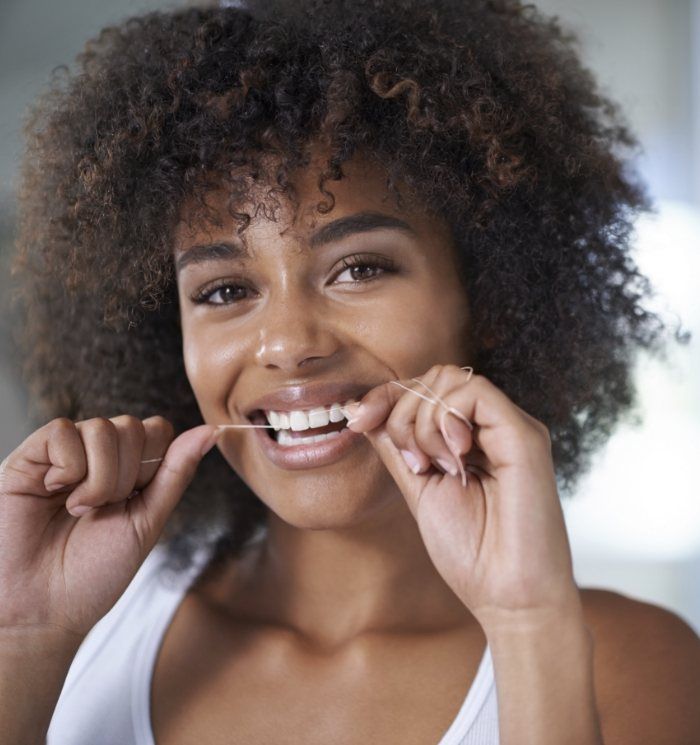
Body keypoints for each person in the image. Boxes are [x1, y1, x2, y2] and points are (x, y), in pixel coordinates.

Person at [1, 1, 698, 743]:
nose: (288, 343)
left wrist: (527, 623)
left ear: (489, 296)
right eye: (225, 291)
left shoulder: (632, 664)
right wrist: (24, 637)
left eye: (359, 268)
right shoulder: (78, 627)